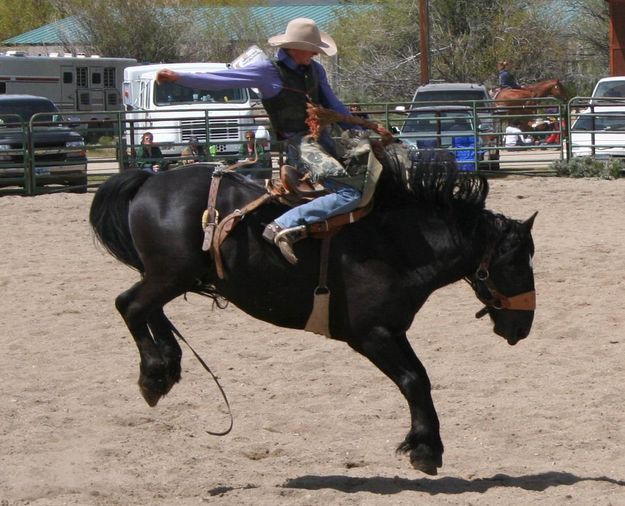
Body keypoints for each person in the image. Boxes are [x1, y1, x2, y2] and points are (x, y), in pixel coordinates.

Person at [156, 17, 386, 262]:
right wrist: (179, 77)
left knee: (371, 172)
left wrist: (363, 129)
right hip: (300, 145)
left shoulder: (315, 71)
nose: (315, 55)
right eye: (312, 50)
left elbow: (333, 105)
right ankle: (282, 225)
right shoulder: (268, 72)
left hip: (324, 138)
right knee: (349, 193)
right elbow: (222, 79)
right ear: (295, 48)